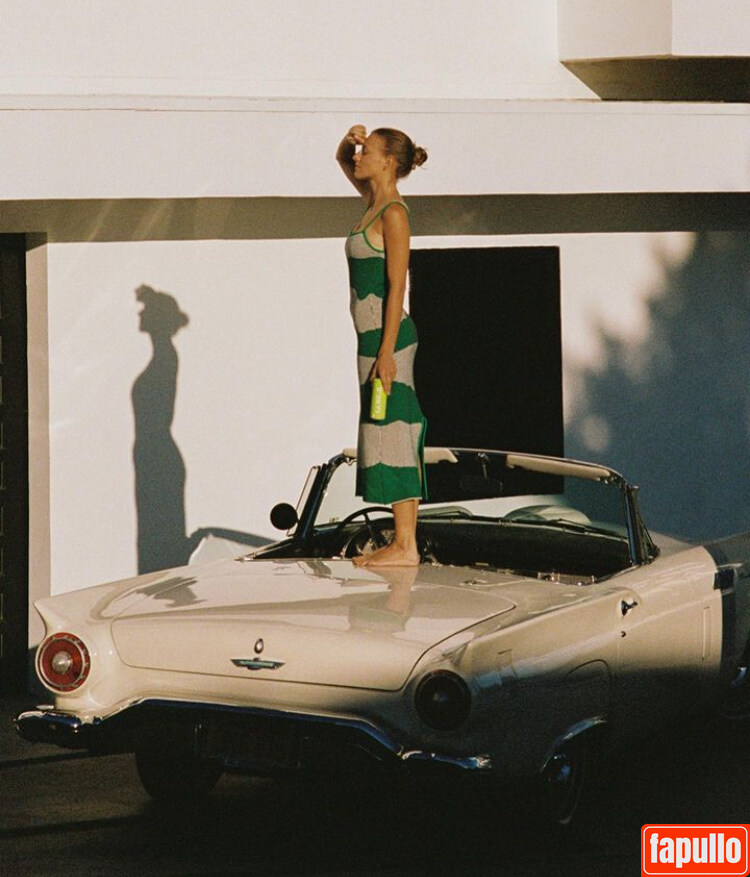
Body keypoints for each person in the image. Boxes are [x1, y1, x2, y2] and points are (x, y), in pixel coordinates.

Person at [336, 125, 428, 567]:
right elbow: (342, 159)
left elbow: (397, 287)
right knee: (380, 428)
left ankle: (406, 545)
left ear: (389, 162)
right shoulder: (373, 201)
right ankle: (401, 540)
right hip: (371, 339)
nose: (359, 157)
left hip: (387, 341)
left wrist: (387, 353)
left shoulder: (393, 214)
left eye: (367, 151)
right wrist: (349, 141)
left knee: (394, 429)